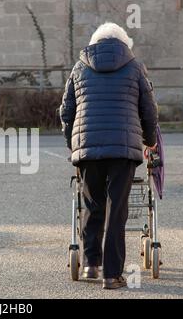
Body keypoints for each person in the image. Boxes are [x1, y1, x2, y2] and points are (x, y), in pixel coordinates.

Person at [60, 22, 158, 289]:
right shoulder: (135, 67)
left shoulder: (79, 67)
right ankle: (112, 275)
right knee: (117, 210)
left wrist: (73, 143)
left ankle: (92, 265)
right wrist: (150, 141)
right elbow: (148, 110)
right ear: (123, 43)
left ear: (95, 42)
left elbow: (66, 111)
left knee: (92, 205)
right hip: (123, 149)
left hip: (88, 148)